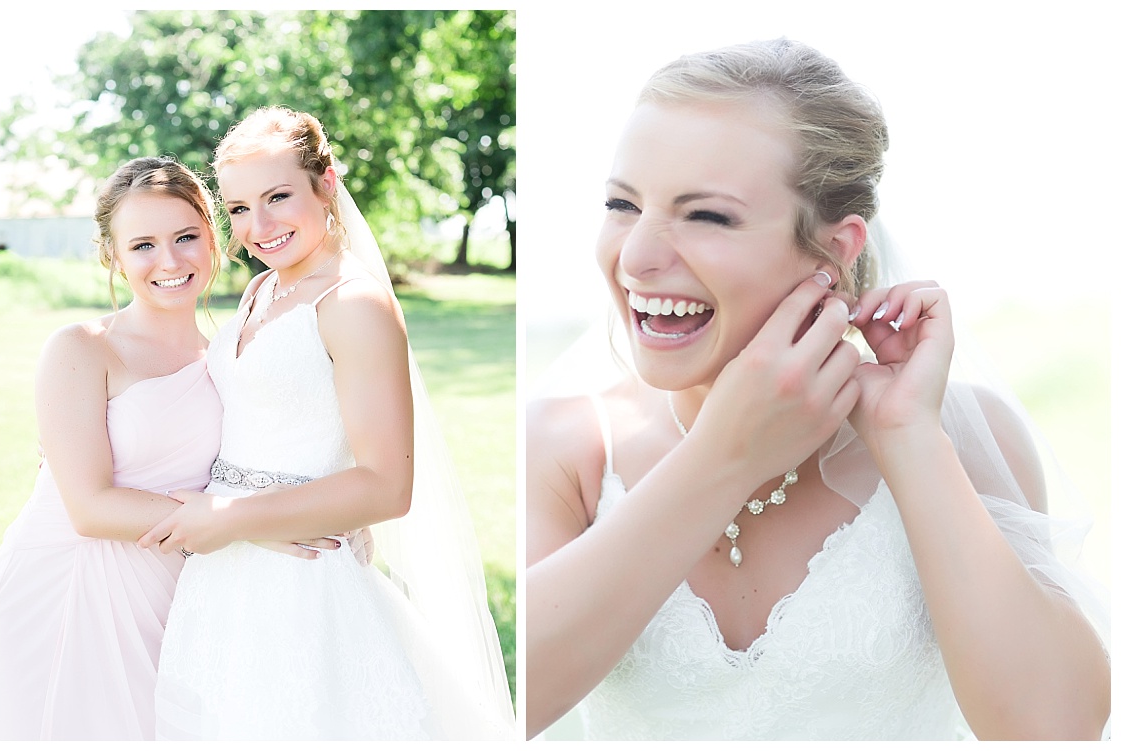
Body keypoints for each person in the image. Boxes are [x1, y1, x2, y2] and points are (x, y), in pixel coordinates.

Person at [526, 39, 1110, 741]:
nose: (638, 257)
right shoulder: (567, 448)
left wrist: (907, 436)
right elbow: (515, 703)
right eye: (622, 204)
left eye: (706, 215)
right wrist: (724, 455)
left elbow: (1055, 727)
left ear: (836, 248)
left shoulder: (958, 435)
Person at [137, 106, 514, 740]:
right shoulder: (265, 289)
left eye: (277, 197)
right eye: (238, 209)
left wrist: (228, 517)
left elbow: (385, 487)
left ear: (326, 182)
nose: (258, 226)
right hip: (227, 574)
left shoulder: (352, 302)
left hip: (302, 583)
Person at [0, 156, 230, 740]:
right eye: (142, 245)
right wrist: (251, 523)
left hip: (169, 597)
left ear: (213, 239)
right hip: (60, 591)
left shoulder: (230, 357)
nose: (169, 260)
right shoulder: (81, 349)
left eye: (186, 236)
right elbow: (89, 508)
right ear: (113, 255)